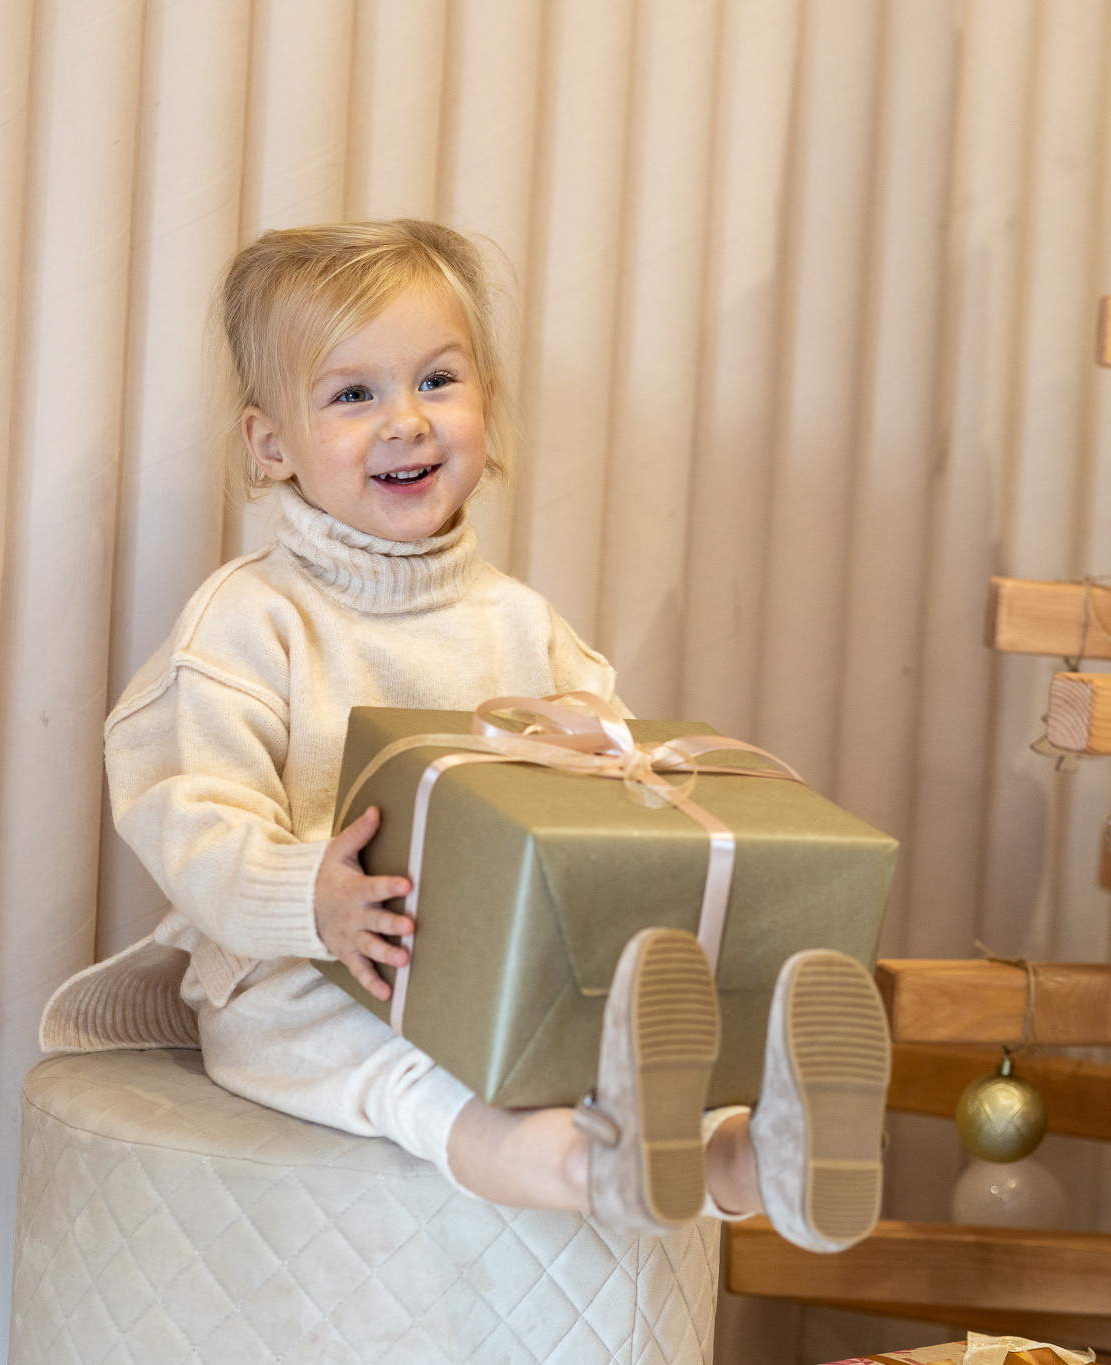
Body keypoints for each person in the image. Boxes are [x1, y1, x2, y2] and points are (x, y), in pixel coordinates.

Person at [45, 219, 889, 1251]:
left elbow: (615, 788)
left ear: (484, 402)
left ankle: (752, 1156)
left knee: (609, 1033)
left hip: (495, 963)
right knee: (421, 1080)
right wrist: (306, 895)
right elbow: (186, 809)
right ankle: (595, 1167)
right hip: (315, 978)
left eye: (437, 381)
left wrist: (606, 767)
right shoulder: (250, 624)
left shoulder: (520, 624)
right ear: (272, 445)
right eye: (352, 395)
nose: (405, 421)